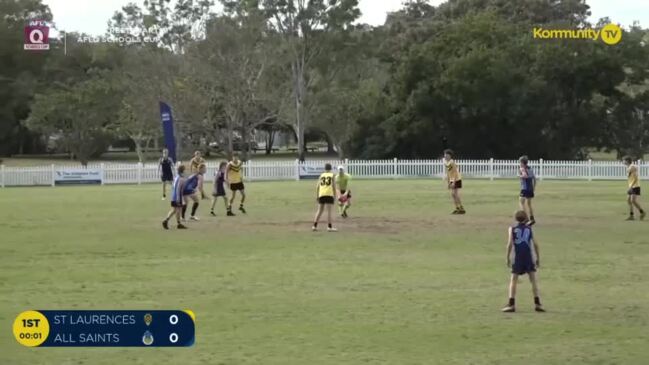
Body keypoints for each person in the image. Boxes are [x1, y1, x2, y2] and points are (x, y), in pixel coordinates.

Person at [502, 210, 545, 313]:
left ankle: (511, 304)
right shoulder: (529, 229)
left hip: (518, 256)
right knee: (533, 280)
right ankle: (537, 303)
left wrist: (507, 257)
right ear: (526, 218)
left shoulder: (512, 229)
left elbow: (510, 244)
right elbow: (535, 244)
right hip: (528, 256)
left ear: (515, 219)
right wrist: (538, 258)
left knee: (513, 279)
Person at [312, 163, 338, 232]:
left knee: (319, 210)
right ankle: (329, 227)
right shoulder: (332, 175)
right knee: (329, 211)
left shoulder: (321, 175)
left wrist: (317, 195)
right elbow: (334, 187)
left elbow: (317, 186)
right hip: (329, 194)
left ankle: (314, 226)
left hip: (321, 194)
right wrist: (335, 196)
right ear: (331, 169)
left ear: (325, 168)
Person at [162, 165, 188, 230]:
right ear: (182, 171)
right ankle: (176, 223)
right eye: (185, 170)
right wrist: (178, 199)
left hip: (174, 196)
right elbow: (178, 189)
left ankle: (168, 221)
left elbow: (174, 187)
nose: (186, 171)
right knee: (178, 210)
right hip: (177, 197)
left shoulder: (177, 177)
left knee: (174, 210)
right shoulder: (181, 179)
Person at [443, 149, 465, 214]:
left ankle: (461, 208)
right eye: (445, 155)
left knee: (455, 194)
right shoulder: (448, 163)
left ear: (450, 156)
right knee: (453, 194)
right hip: (452, 179)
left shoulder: (452, 162)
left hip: (456, 179)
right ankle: (458, 208)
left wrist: (453, 182)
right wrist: (449, 182)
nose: (445, 156)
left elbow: (455, 173)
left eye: (447, 155)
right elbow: (449, 173)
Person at [623, 156, 645, 221]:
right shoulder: (629, 167)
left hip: (635, 186)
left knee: (633, 201)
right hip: (631, 186)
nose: (623, 162)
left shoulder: (632, 167)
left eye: (624, 160)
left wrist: (631, 186)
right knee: (628, 200)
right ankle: (631, 215)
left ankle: (642, 212)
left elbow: (635, 178)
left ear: (627, 161)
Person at [518, 156, 537, 225]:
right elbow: (534, 179)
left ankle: (526, 219)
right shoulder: (530, 169)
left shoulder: (522, 168)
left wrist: (519, 176)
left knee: (521, 203)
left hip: (524, 189)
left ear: (523, 163)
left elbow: (525, 176)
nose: (519, 164)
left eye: (520, 162)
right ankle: (532, 219)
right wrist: (534, 188)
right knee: (529, 204)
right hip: (530, 189)